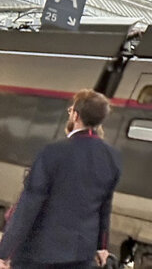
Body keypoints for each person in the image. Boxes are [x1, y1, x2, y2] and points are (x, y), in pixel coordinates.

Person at [0, 89, 122, 269]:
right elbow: (104, 207)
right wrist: (101, 247)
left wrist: (4, 252)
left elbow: (29, 204)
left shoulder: (53, 152)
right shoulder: (112, 156)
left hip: (39, 255)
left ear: (75, 115)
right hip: (82, 254)